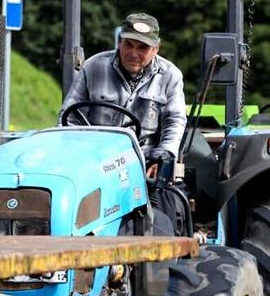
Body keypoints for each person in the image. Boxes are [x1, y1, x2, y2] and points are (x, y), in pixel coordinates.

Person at [59, 13, 186, 177]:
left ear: (156, 48)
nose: (133, 53)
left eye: (142, 47)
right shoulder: (93, 67)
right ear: (120, 42)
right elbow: (69, 117)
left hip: (144, 162)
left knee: (168, 192)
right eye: (128, 44)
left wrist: (164, 157)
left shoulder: (170, 75)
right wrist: (71, 154)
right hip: (94, 161)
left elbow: (174, 121)